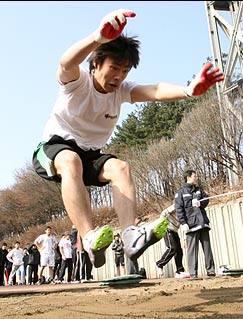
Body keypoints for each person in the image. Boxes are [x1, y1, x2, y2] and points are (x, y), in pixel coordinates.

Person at [31, 8, 224, 270]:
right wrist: (97, 38)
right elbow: (66, 62)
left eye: (125, 70)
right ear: (97, 63)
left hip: (90, 155)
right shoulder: (77, 82)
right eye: (114, 68)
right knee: (70, 160)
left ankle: (131, 235)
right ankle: (89, 238)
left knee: (120, 168)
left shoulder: (122, 91)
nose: (119, 76)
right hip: (55, 148)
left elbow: (155, 90)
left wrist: (188, 90)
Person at [174, 170, 216, 279]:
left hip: (202, 223)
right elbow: (179, 209)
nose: (196, 177)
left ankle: (211, 270)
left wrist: (200, 203)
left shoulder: (199, 190)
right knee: (192, 250)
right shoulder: (181, 193)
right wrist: (183, 223)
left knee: (207, 248)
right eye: (194, 176)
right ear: (188, 177)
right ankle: (193, 273)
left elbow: (206, 200)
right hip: (191, 225)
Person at [156, 205, 186, 278]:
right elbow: (163, 213)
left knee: (179, 251)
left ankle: (180, 271)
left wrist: (185, 239)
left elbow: (185, 226)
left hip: (175, 231)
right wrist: (162, 225)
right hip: (167, 228)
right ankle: (159, 264)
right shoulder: (176, 206)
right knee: (172, 248)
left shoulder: (186, 212)